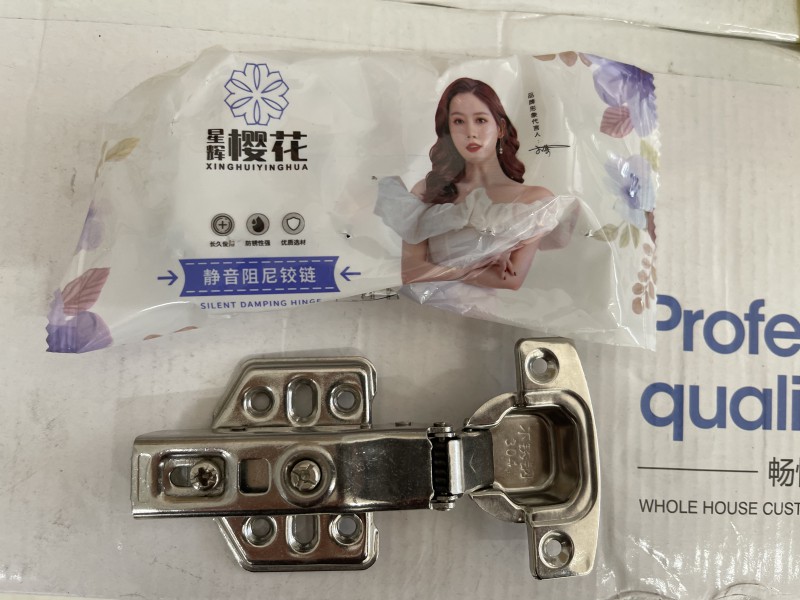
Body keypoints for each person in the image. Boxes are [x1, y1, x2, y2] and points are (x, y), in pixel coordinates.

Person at [375, 77, 576, 295]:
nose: (470, 132)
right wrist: (472, 268)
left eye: (480, 120)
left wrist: (444, 270)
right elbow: (411, 272)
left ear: (500, 128)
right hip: (417, 309)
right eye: (458, 122)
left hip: (483, 312)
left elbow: (511, 279)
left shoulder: (533, 199)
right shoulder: (427, 190)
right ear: (448, 131)